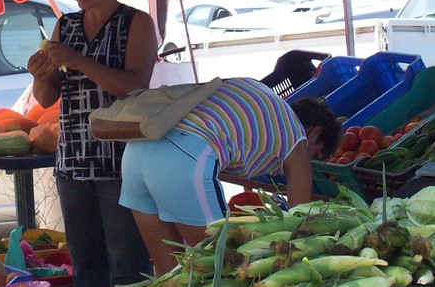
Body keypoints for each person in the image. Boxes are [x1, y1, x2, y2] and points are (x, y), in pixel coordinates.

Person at [27, 0, 158, 287]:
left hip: (122, 164)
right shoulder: (66, 25)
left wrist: (78, 60)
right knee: (86, 267)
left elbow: (134, 86)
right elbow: (49, 96)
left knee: (126, 266)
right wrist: (41, 75)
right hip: (73, 163)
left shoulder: (136, 23)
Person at [120, 78, 342, 274]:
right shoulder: (296, 138)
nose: (308, 158)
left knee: (168, 277)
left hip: (136, 153)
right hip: (181, 160)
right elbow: (299, 221)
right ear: (314, 133)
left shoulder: (261, 93)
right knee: (226, 271)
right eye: (315, 154)